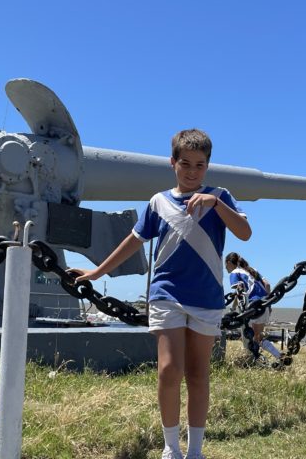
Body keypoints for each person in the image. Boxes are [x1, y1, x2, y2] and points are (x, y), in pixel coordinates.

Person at [70, 129, 251, 459]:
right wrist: (97, 273)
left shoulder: (220, 195)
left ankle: (195, 451)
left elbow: (244, 232)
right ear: (173, 163)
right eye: (185, 164)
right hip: (166, 293)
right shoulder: (158, 202)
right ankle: (171, 448)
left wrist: (216, 204)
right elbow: (133, 240)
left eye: (200, 165)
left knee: (198, 374)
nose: (192, 171)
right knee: (169, 370)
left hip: (206, 297)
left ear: (208, 165)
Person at [225, 252, 282, 360]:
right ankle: (274, 357)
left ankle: (271, 357)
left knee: (251, 336)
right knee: (258, 337)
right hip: (264, 304)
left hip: (252, 306)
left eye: (225, 265)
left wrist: (232, 309)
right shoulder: (252, 270)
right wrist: (268, 305)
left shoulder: (235, 273)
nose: (225, 268)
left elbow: (239, 291)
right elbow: (267, 285)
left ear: (228, 263)